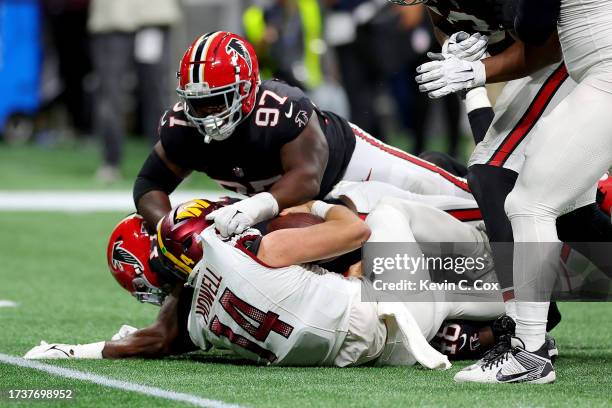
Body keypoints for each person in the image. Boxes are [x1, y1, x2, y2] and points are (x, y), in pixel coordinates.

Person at [25, 198, 509, 368]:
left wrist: (69, 350)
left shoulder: (189, 328)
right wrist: (316, 208)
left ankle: (479, 330)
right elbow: (355, 230)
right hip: (380, 318)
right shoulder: (254, 249)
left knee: (380, 282)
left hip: (354, 353)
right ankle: (497, 261)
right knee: (387, 216)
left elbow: (139, 342)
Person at [133, 30, 473, 239]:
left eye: (217, 100)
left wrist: (255, 207)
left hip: (348, 164)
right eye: (199, 103)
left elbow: (307, 178)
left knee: (450, 195)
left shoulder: (281, 107)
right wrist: (169, 230)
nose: (207, 114)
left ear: (247, 90)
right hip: (302, 210)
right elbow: (149, 184)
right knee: (390, 235)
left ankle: (509, 228)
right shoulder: (183, 129)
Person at [453, 0, 612, 384]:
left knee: (529, 203)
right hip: (596, 68)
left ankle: (530, 354)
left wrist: (485, 50)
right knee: (550, 200)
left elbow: (537, 25)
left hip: (603, 68)